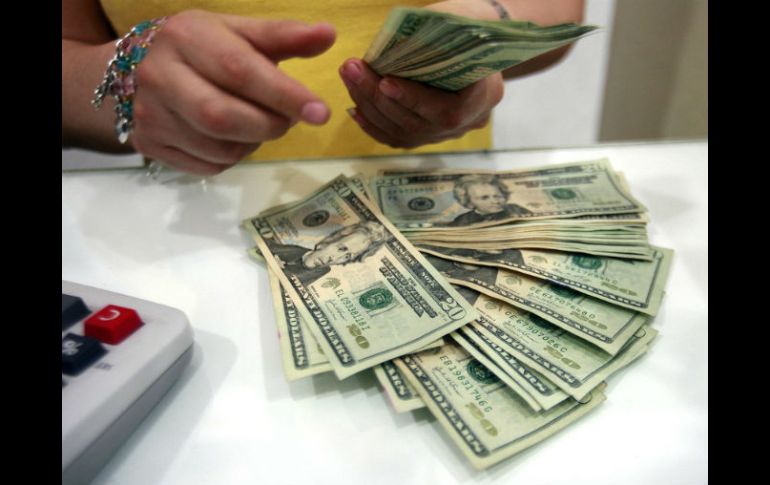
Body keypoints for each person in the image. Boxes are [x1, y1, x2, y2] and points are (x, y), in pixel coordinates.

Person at [63, 1, 585, 175]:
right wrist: (129, 78)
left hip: (440, 197)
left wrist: (475, 32)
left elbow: (559, 10)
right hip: (188, 230)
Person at [266, 221, 391, 285]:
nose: (334, 259)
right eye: (341, 248)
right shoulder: (292, 249)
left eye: (347, 256)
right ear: (329, 240)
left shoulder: (320, 273)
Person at [448, 173, 533, 226]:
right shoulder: (462, 220)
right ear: (469, 202)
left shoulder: (515, 209)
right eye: (484, 198)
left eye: (498, 196)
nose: (495, 201)